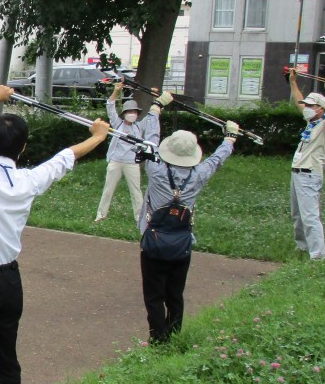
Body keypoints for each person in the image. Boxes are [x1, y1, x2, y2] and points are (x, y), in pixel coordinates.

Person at [0, 84, 109, 384]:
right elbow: (65, 158)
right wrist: (99, 136)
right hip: (10, 281)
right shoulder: (29, 180)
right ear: (24, 149)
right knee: (7, 357)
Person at [139, 91, 240, 342]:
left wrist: (155, 108)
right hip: (182, 243)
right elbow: (217, 159)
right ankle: (174, 336)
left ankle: (157, 338)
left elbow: (151, 140)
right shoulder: (199, 174)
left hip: (154, 242)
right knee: (175, 294)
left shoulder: (156, 169)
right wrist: (230, 137)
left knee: (154, 296)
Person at [287, 69, 325, 261]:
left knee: (309, 216)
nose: (306, 107)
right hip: (297, 173)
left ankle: (318, 255)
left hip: (309, 174)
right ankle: (303, 248)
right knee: (297, 215)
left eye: (311, 105)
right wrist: (293, 82)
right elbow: (298, 100)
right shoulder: (311, 121)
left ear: (321, 109)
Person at [94, 81, 155, 223]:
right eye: (129, 112)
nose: (132, 114)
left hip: (132, 163)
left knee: (136, 192)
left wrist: (153, 98)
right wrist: (116, 90)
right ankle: (101, 215)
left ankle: (140, 219)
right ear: (124, 113)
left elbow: (152, 115)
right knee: (108, 190)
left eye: (134, 112)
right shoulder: (117, 124)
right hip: (115, 161)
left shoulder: (139, 127)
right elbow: (110, 106)